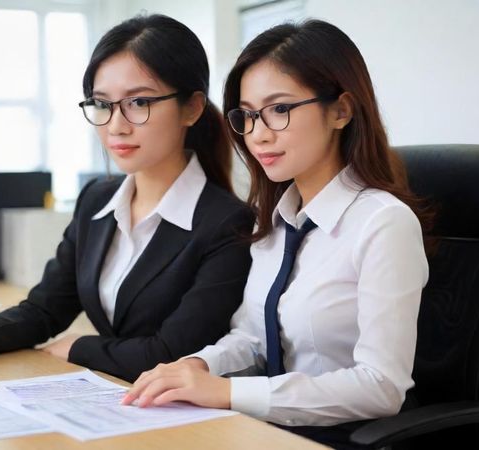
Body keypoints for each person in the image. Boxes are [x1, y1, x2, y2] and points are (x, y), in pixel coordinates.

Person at [0, 14, 255, 383]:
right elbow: (45, 310)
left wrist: (80, 348)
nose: (116, 125)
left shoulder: (227, 224)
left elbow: (172, 352)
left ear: (192, 107)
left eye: (139, 102)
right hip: (111, 400)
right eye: (102, 104)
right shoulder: (97, 201)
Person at [122, 19, 432, 448]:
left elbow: (381, 386)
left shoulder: (383, 223)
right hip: (269, 432)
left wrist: (229, 392)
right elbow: (253, 338)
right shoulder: (272, 221)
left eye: (280, 109)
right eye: (247, 115)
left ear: (341, 110)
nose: (258, 134)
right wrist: (196, 366)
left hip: (342, 438)